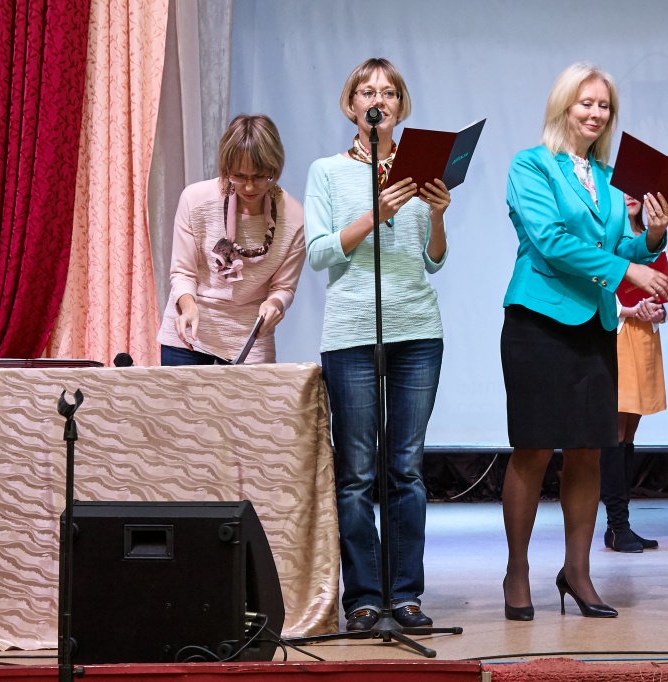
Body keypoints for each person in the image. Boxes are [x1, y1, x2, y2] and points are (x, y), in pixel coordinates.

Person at [500, 62, 668, 621]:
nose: (596, 113)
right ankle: (517, 572)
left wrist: (652, 236)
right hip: (538, 321)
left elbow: (622, 247)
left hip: (595, 327)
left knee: (589, 451)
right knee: (532, 449)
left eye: (604, 106)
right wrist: (628, 271)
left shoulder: (608, 176)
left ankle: (577, 572)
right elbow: (550, 242)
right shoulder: (530, 165)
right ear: (564, 106)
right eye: (587, 103)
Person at [303, 58, 451, 632]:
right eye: (367, 91)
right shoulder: (326, 171)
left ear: (401, 107)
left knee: (407, 469)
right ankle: (364, 597)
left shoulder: (419, 170)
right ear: (351, 106)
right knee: (357, 472)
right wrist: (374, 214)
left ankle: (406, 595)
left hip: (417, 328)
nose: (378, 100)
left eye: (389, 93)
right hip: (352, 332)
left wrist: (437, 214)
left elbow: (434, 260)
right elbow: (319, 252)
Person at [158, 114, 305, 365]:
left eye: (259, 176)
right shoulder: (195, 200)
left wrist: (275, 304)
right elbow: (183, 272)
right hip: (188, 335)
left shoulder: (294, 218)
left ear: (274, 169)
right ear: (226, 169)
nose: (249, 187)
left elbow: (284, 287)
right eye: (238, 176)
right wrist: (188, 307)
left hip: (250, 341)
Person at [600, 194, 668, 554]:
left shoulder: (651, 240)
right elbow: (595, 282)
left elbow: (666, 295)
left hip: (643, 338)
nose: (629, 196)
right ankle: (616, 525)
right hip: (615, 335)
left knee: (628, 435)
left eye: (635, 190)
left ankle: (621, 524)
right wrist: (629, 310)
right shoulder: (604, 233)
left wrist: (659, 311)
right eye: (622, 189)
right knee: (614, 433)